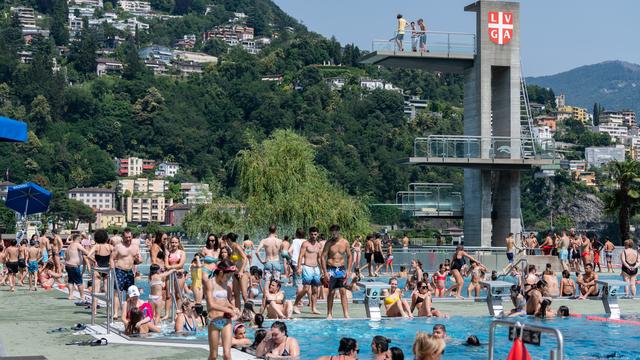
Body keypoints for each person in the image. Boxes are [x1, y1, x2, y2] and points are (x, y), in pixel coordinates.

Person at [204, 259, 241, 360]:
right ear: (221, 272)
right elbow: (211, 304)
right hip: (214, 320)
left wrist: (233, 307)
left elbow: (224, 301)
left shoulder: (225, 284)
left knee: (227, 354)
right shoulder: (209, 283)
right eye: (228, 276)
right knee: (213, 355)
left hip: (226, 320)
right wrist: (229, 310)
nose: (229, 279)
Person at [321, 224, 353, 319]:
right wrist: (325, 272)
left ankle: (346, 314)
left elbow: (350, 256)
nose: (334, 233)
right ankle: (329, 313)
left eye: (335, 231)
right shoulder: (329, 243)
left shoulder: (345, 242)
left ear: (339, 231)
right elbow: (323, 257)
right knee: (331, 292)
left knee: (343, 291)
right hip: (331, 269)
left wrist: (348, 270)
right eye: (332, 231)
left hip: (341, 269)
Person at [110, 228, 142, 319]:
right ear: (123, 237)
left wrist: (138, 260)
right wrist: (112, 268)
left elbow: (139, 260)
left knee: (130, 293)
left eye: (130, 237)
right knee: (117, 292)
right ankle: (115, 313)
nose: (128, 239)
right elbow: (112, 258)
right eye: (126, 237)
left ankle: (128, 312)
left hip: (129, 272)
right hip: (119, 270)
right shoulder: (118, 247)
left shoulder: (135, 247)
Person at [294, 226, 323, 315]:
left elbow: (319, 258)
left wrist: (322, 270)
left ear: (317, 234)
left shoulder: (319, 245)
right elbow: (300, 256)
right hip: (307, 267)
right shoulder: (305, 244)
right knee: (306, 288)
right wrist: (299, 267)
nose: (313, 236)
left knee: (315, 290)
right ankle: (295, 304)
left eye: (315, 234)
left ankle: (313, 308)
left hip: (316, 268)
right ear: (309, 234)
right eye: (312, 234)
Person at [65, 234, 94, 301]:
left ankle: (70, 295)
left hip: (68, 266)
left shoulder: (69, 246)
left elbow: (65, 256)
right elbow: (86, 252)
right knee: (79, 282)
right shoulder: (77, 244)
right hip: (74, 266)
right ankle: (82, 297)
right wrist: (94, 260)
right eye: (80, 239)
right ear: (77, 239)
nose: (81, 240)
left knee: (71, 281)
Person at [290, 228, 306, 302]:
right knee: (306, 283)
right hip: (305, 263)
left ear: (296, 234)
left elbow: (289, 251)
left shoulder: (295, 241)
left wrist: (292, 258)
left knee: (299, 284)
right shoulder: (306, 241)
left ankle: (299, 301)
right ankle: (310, 302)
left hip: (296, 264)